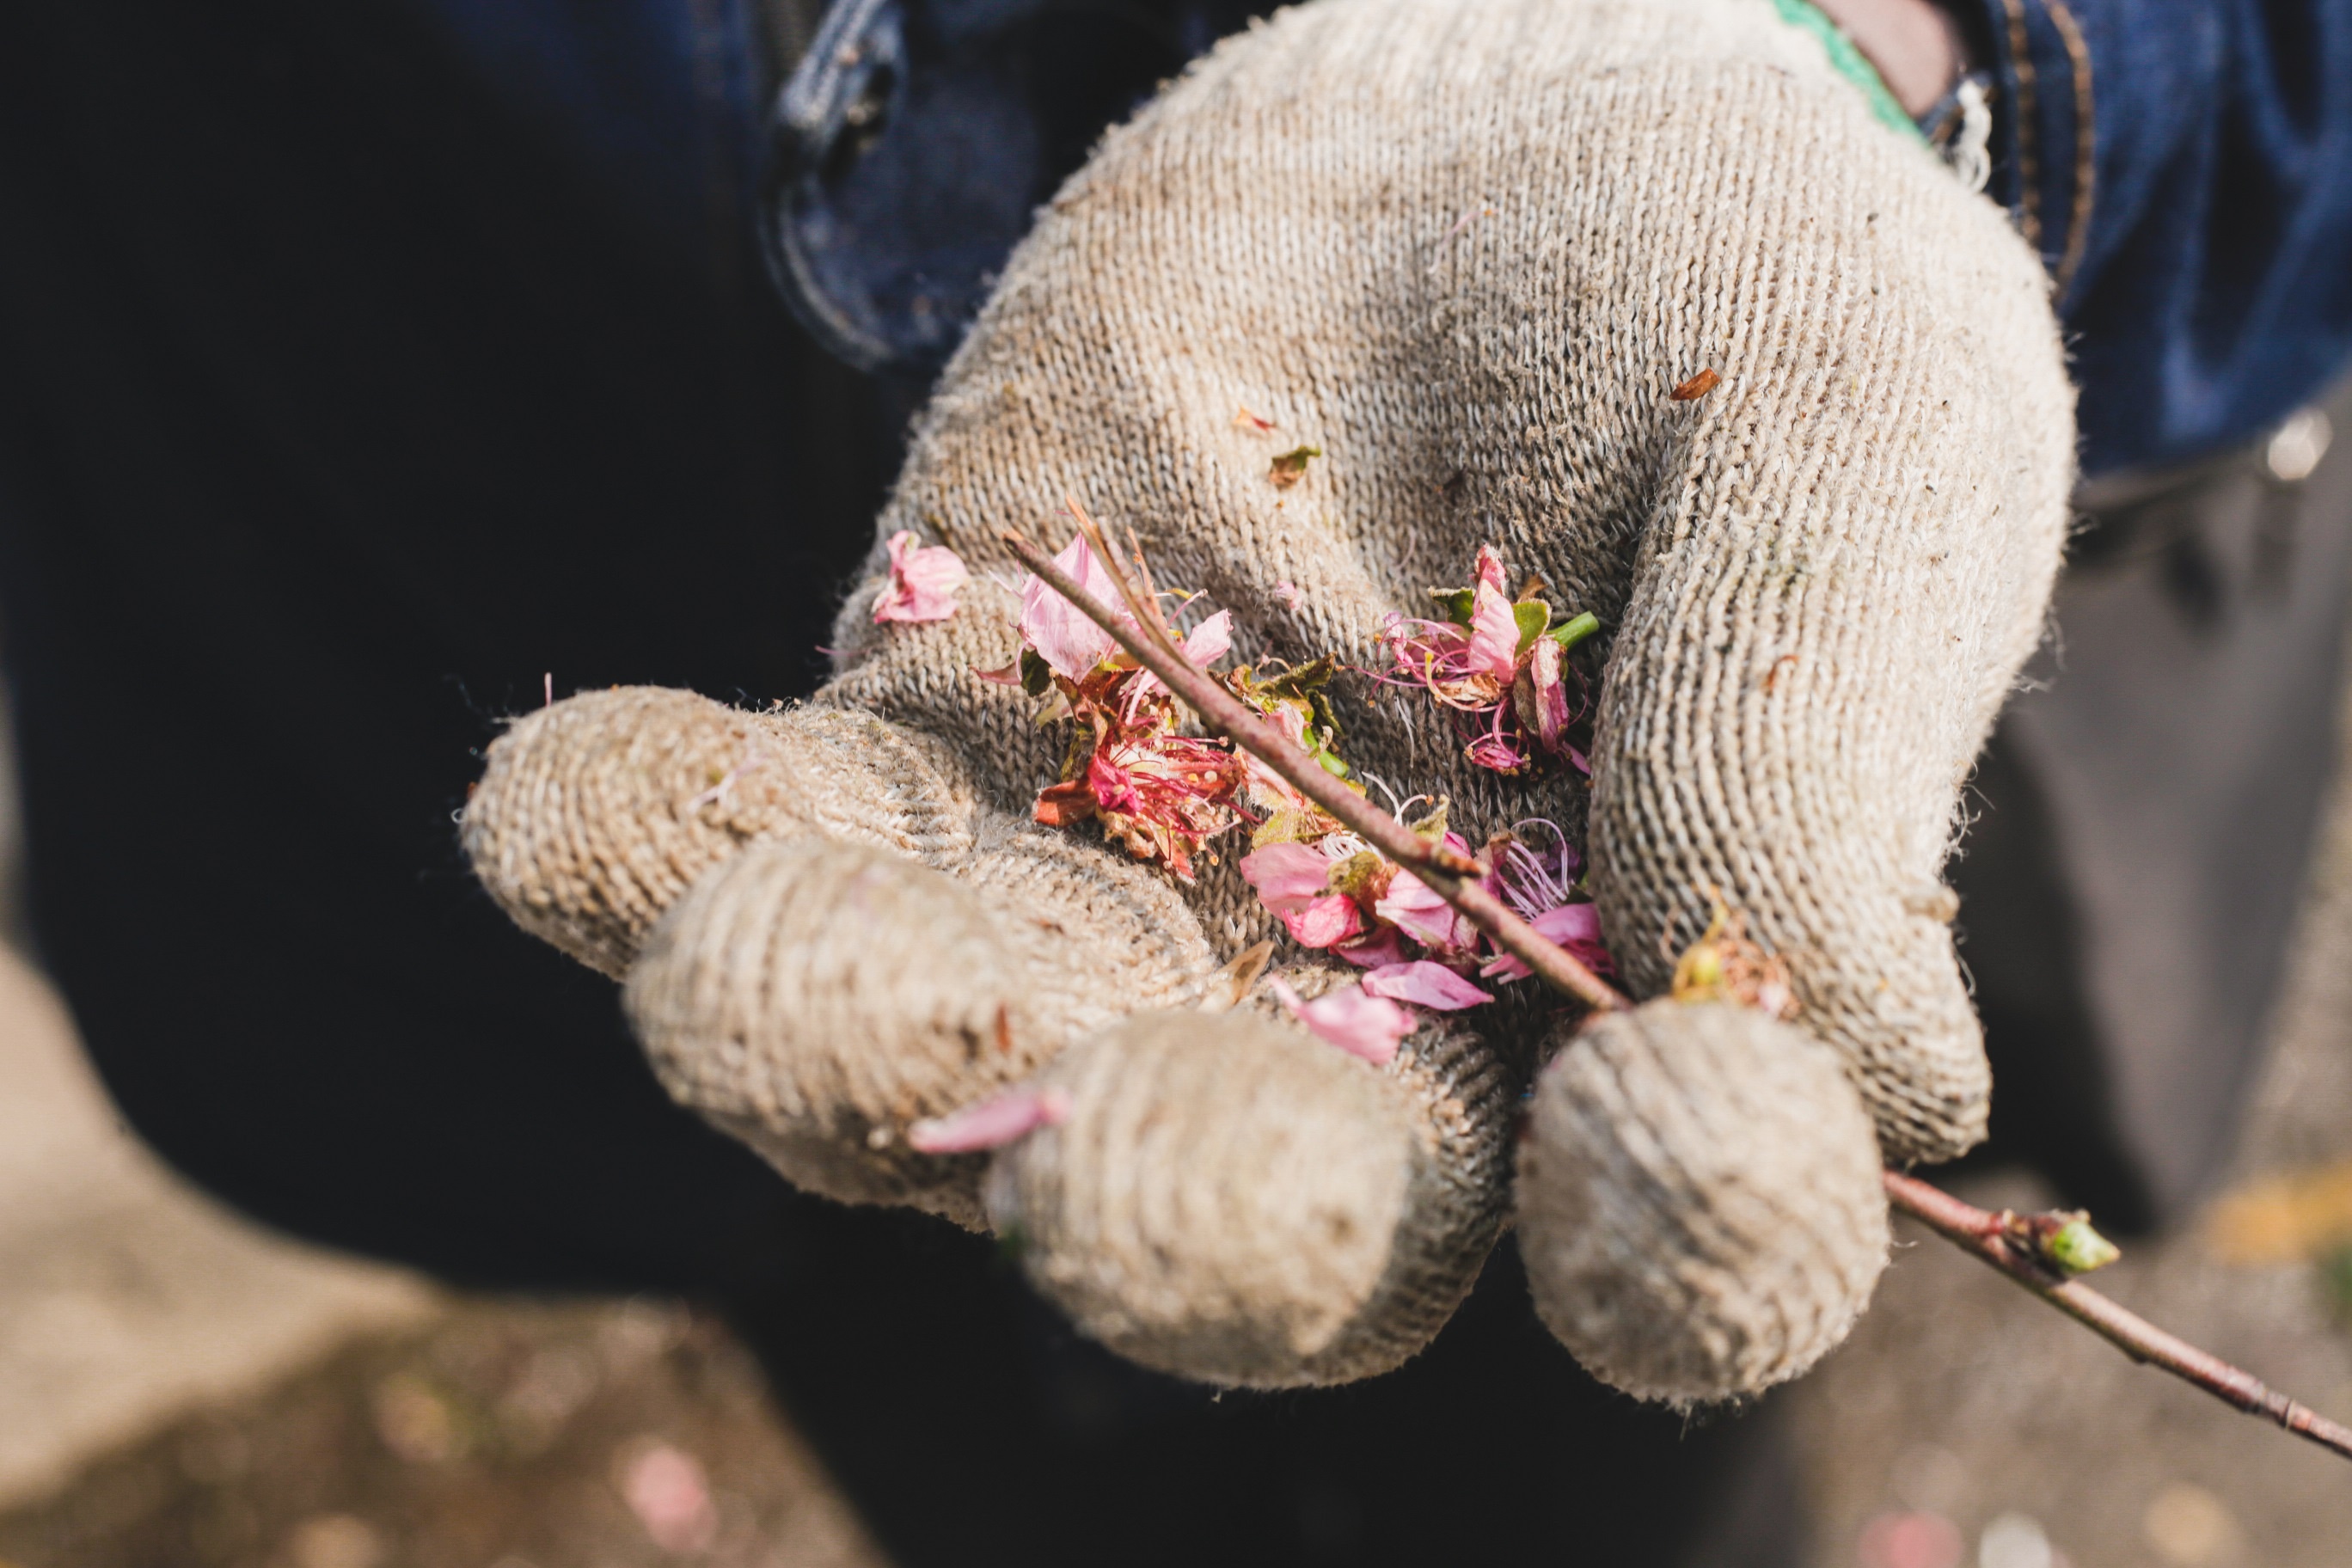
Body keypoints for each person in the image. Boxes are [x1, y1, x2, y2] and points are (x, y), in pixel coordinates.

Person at [0, 2, 2345, 1564]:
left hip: (1478, 674)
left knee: (1602, 1391)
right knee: (931, 1331)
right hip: (423, 532)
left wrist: (1876, 39)